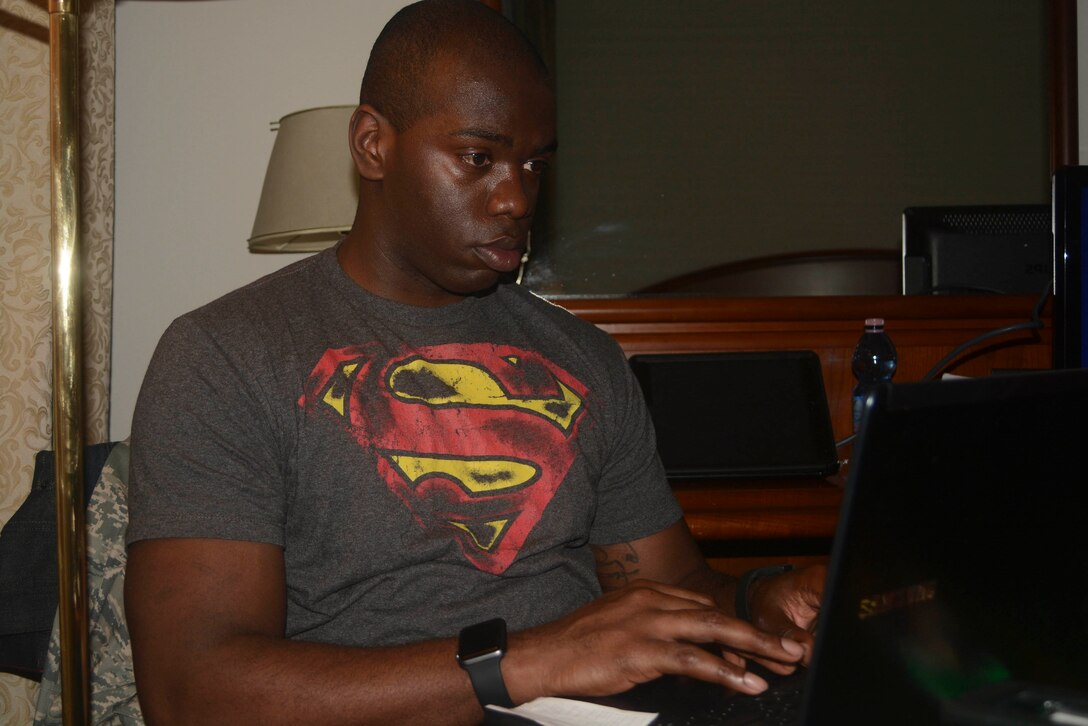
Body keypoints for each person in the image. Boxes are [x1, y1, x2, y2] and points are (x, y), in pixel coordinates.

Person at [123, 1, 824, 723]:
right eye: (477, 157)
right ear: (372, 145)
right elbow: (192, 693)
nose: (517, 197)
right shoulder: (224, 356)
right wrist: (529, 661)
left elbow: (671, 587)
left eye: (533, 164)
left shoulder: (585, 359)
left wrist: (761, 598)